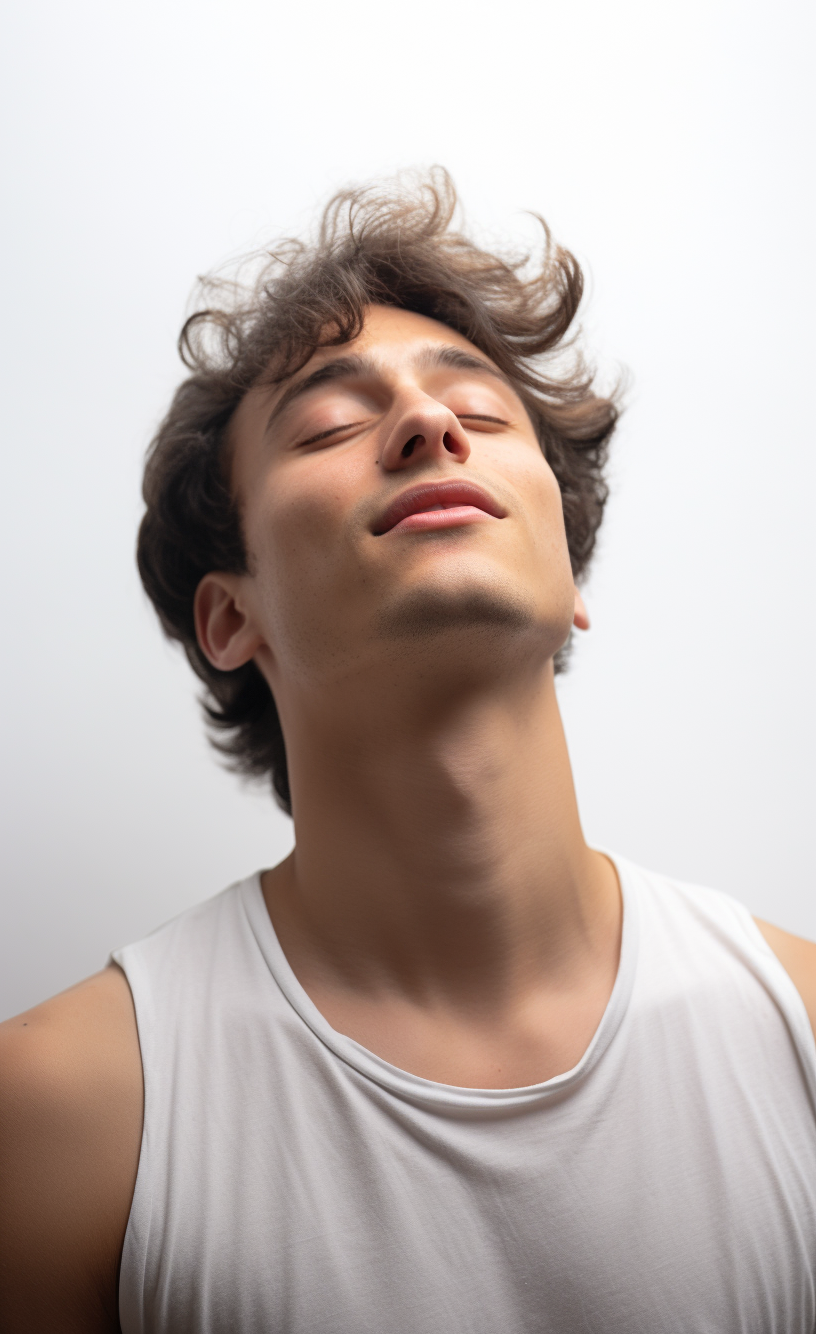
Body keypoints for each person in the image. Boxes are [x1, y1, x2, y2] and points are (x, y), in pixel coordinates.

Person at [1, 173, 815, 1334]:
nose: (430, 427)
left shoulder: (800, 1032)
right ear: (231, 617)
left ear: (569, 575)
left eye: (479, 415)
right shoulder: (63, 1115)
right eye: (330, 423)